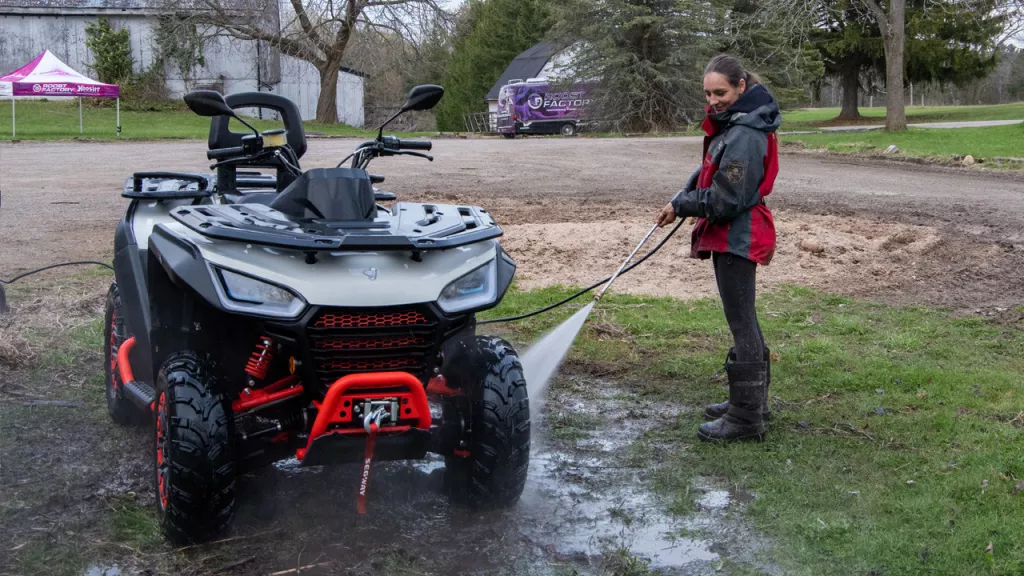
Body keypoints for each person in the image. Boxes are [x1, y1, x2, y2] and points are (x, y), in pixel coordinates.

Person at [655, 54, 780, 442]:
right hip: (737, 232)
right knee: (745, 319)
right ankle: (750, 404)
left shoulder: (745, 132)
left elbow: (727, 197)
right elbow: (714, 166)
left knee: (741, 321)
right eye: (708, 94)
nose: (714, 101)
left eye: (721, 92)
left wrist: (682, 206)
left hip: (738, 235)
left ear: (741, 85)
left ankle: (745, 420)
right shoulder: (740, 123)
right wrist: (686, 192)